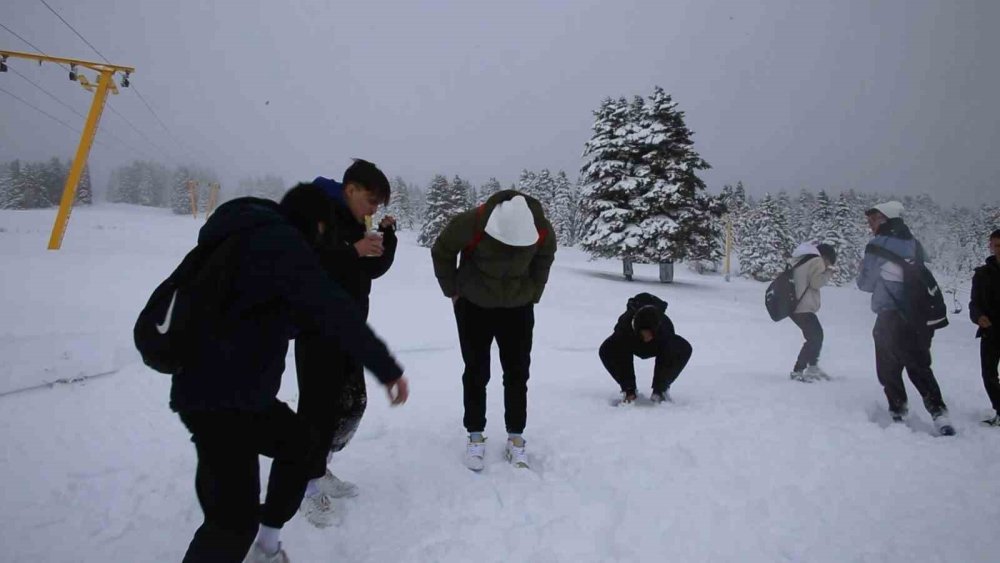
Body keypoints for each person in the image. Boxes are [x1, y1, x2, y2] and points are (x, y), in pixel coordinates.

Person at [170, 186, 409, 563]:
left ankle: (267, 546)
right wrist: (388, 369)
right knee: (232, 522)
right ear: (316, 224)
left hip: (241, 396)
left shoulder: (239, 241)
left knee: (301, 444)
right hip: (219, 401)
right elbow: (334, 312)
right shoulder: (281, 245)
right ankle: (253, 541)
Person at [293, 161, 398, 527]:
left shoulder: (355, 221)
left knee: (350, 405)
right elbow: (304, 264)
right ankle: (304, 486)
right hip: (316, 328)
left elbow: (367, 269)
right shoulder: (314, 213)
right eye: (371, 201)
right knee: (317, 410)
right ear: (350, 188)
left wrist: (388, 239)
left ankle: (318, 468)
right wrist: (353, 251)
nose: (373, 210)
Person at [431, 190, 556, 471]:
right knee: (476, 370)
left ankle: (516, 437)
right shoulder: (471, 222)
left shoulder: (542, 229)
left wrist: (534, 292)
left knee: (517, 371)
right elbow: (442, 250)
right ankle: (475, 434)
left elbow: (545, 256)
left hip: (518, 306)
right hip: (474, 304)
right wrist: (452, 290)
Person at [857, 201, 953, 436]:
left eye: (874, 219)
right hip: (920, 316)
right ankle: (939, 414)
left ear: (885, 220)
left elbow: (865, 284)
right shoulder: (914, 244)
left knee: (888, 367)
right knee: (919, 365)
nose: (870, 224)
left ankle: (898, 411)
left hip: (890, 315)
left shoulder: (876, 245)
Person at [599, 293, 693, 405]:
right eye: (644, 333)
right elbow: (614, 352)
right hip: (629, 343)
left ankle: (660, 392)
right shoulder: (624, 326)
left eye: (651, 334)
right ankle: (629, 392)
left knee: (680, 348)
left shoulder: (665, 326)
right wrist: (629, 388)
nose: (647, 338)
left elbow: (670, 354)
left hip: (659, 345)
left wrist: (659, 387)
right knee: (610, 348)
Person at [787, 242, 836, 382]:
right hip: (804, 307)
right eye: (829, 263)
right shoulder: (817, 261)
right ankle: (799, 369)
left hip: (795, 306)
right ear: (826, 257)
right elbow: (816, 282)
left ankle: (812, 366)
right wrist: (827, 274)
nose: (827, 266)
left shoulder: (803, 259)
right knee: (814, 337)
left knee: (815, 336)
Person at [970, 228, 1000, 426]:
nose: (999, 249)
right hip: (991, 331)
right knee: (989, 374)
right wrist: (979, 316)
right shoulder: (982, 274)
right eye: (996, 245)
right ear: (990, 246)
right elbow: (974, 303)